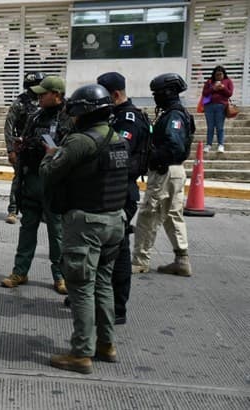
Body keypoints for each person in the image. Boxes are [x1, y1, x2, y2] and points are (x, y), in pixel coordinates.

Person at [41, 84, 128, 375]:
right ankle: (107, 344)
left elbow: (49, 173)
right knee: (103, 284)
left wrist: (51, 153)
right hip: (114, 221)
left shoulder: (81, 141)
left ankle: (81, 353)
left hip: (87, 222)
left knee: (81, 288)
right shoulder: (117, 138)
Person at [0, 76, 71, 295]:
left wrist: (50, 149)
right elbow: (25, 138)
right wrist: (24, 146)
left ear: (56, 95)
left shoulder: (70, 118)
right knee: (27, 228)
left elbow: (70, 148)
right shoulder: (35, 116)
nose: (39, 97)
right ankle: (20, 271)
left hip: (54, 182)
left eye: (43, 94)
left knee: (57, 233)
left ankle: (61, 275)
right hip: (31, 180)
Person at [97, 72, 151, 326]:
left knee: (118, 250)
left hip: (121, 189)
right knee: (101, 247)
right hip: (109, 188)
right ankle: (98, 298)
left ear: (115, 95)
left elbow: (119, 154)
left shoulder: (128, 118)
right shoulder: (117, 116)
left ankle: (117, 307)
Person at [132, 73, 194, 277]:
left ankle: (140, 260)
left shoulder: (174, 115)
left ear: (168, 92)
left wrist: (154, 158)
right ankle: (182, 259)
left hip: (165, 171)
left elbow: (173, 146)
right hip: (175, 171)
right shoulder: (176, 113)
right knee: (172, 215)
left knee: (148, 215)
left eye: (157, 93)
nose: (155, 97)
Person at [3, 71, 44, 225]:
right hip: (22, 146)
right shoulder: (19, 103)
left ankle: (42, 211)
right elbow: (8, 127)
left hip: (41, 147)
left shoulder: (45, 101)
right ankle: (13, 210)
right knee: (19, 178)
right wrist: (10, 150)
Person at [201, 65, 233, 153]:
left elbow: (229, 93)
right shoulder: (209, 81)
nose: (218, 76)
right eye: (217, 74)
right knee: (210, 127)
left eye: (220, 74)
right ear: (214, 74)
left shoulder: (228, 81)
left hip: (221, 106)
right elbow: (204, 93)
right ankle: (208, 144)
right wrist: (213, 88)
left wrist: (223, 88)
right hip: (209, 106)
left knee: (220, 127)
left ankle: (221, 145)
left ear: (224, 74)